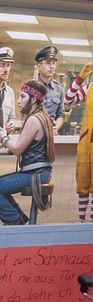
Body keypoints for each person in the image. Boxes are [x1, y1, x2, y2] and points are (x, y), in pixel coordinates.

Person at [0, 80, 55, 225]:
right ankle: (19, 219)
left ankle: (15, 222)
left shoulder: (34, 120)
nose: (18, 101)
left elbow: (17, 150)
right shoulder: (42, 116)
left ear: (34, 99)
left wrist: (3, 137)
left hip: (35, 174)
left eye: (23, 96)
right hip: (41, 172)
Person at [65, 62, 93, 222]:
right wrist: (81, 78)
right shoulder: (89, 88)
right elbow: (68, 100)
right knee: (82, 182)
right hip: (86, 143)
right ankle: (81, 221)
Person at [35, 45, 65, 135]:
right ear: (39, 67)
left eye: (54, 63)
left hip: (52, 134)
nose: (52, 66)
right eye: (48, 63)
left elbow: (61, 114)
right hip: (35, 133)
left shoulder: (58, 88)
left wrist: (56, 127)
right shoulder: (32, 86)